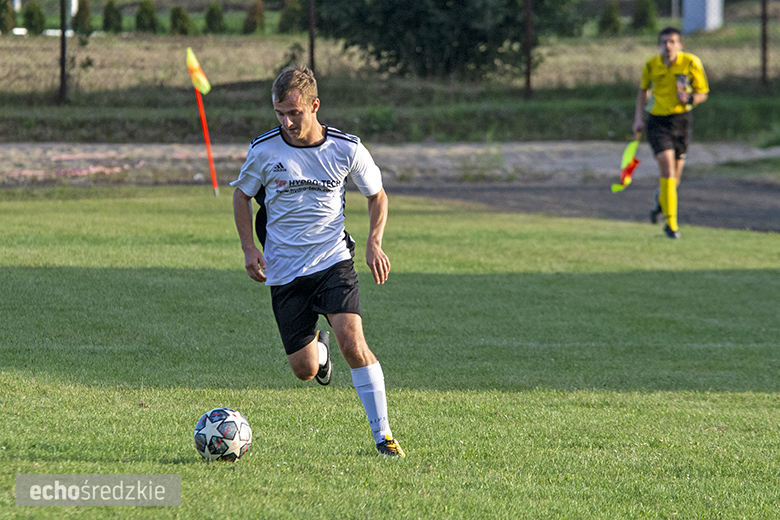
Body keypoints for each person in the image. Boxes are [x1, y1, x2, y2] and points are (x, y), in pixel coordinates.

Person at [230, 65, 405, 457]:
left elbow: (377, 196)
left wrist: (375, 243)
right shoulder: (264, 150)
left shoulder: (346, 148)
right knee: (304, 369)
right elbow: (241, 196)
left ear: (314, 106)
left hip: (333, 262)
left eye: (295, 113)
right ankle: (319, 353)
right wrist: (248, 249)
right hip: (285, 271)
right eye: (280, 114)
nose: (287, 122)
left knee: (353, 342)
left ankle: (383, 436)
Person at [633, 26, 709, 239]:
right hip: (658, 121)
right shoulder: (651, 65)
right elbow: (643, 90)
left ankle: (661, 199)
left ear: (680, 45)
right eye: (664, 42)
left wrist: (691, 99)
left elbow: (703, 92)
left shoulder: (691, 63)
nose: (668, 46)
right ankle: (671, 225)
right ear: (659, 45)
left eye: (672, 42)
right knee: (667, 168)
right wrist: (638, 118)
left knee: (674, 178)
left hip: (681, 121)